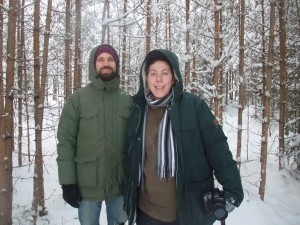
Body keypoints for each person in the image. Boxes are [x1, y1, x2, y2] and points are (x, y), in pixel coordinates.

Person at [123, 49, 244, 225]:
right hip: (146, 212)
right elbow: (128, 156)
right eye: (153, 74)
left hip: (188, 211)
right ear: (145, 78)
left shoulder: (194, 107)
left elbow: (217, 149)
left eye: (165, 73)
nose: (158, 80)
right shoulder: (138, 110)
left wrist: (233, 192)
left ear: (174, 78)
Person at [57, 44, 132, 225]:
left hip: (120, 184)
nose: (106, 63)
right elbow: (66, 141)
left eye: (110, 59)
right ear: (93, 64)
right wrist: (67, 182)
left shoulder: (127, 100)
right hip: (87, 186)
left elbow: (136, 142)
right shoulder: (78, 100)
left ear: (116, 64)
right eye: (100, 59)